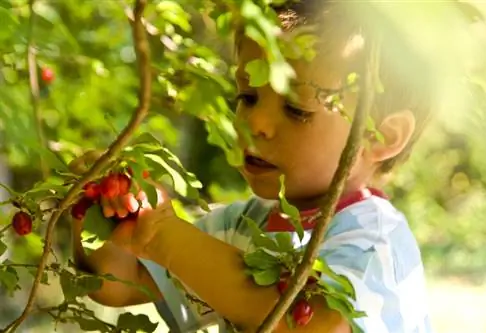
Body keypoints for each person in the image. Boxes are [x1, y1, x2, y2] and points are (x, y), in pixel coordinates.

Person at [72, 1, 438, 332]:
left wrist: (165, 237)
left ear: (381, 137)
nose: (255, 122)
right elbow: (119, 283)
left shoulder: (376, 240)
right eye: (247, 97)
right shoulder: (241, 224)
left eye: (297, 109)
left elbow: (315, 326)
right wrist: (101, 209)